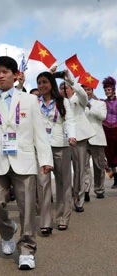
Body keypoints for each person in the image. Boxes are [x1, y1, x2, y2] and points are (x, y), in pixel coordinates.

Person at [0, 56, 53, 270]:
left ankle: (27, 249)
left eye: (5, 71)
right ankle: (7, 231)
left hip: (23, 159)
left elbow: (39, 132)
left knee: (27, 207)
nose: (1, 75)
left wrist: (45, 159)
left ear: (15, 75)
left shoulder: (30, 100)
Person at [36, 71, 76, 234]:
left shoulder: (63, 102)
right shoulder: (34, 103)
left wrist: (72, 135)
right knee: (43, 183)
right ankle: (45, 221)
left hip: (61, 145)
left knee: (63, 182)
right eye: (39, 83)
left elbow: (70, 120)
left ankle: (62, 218)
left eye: (45, 82)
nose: (41, 86)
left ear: (51, 83)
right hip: (41, 147)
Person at [58, 69, 96, 212]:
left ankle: (79, 200)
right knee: (63, 171)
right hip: (62, 140)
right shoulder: (58, 102)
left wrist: (70, 80)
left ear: (71, 89)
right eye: (61, 88)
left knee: (79, 170)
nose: (64, 89)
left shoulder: (78, 99)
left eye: (66, 87)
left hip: (79, 139)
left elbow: (83, 95)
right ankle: (66, 198)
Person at [82, 84, 107, 199]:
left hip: (97, 138)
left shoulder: (100, 103)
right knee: (84, 166)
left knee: (99, 166)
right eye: (84, 90)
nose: (87, 92)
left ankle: (99, 189)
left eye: (89, 90)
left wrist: (90, 105)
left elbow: (102, 116)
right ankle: (86, 190)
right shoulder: (78, 103)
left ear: (92, 90)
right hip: (83, 138)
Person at [101, 76, 117, 189]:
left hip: (116, 129)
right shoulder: (102, 102)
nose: (107, 91)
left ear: (113, 90)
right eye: (105, 90)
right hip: (106, 130)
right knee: (109, 156)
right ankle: (115, 180)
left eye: (109, 89)